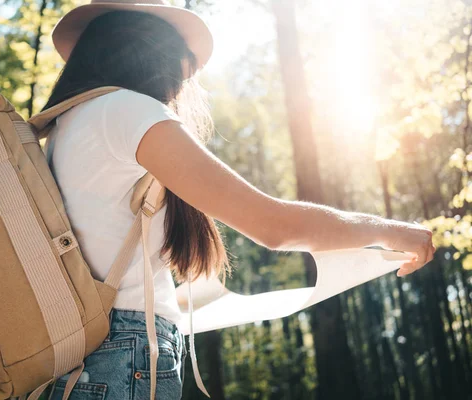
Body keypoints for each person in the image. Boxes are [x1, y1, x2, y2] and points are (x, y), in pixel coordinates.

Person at [40, 1, 436, 399]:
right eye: (184, 64)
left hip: (78, 355)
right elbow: (275, 227)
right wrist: (391, 231)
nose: (183, 84)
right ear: (153, 53)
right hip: (122, 354)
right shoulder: (127, 111)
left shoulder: (63, 128)